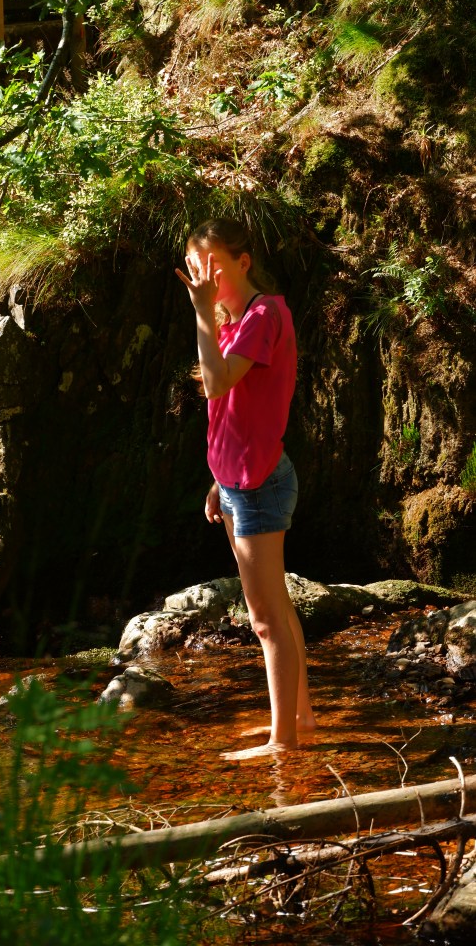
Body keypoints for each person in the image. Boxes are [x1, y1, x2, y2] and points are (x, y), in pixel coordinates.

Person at [175, 218, 316, 759]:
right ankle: (299, 718)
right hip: (236, 482)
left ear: (243, 262)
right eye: (195, 268)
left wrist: (200, 313)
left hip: (259, 485)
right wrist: (217, 480)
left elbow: (216, 384)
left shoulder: (263, 316)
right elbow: (230, 413)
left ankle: (283, 742)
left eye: (212, 265)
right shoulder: (230, 321)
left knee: (265, 620)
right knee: (277, 606)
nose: (203, 277)